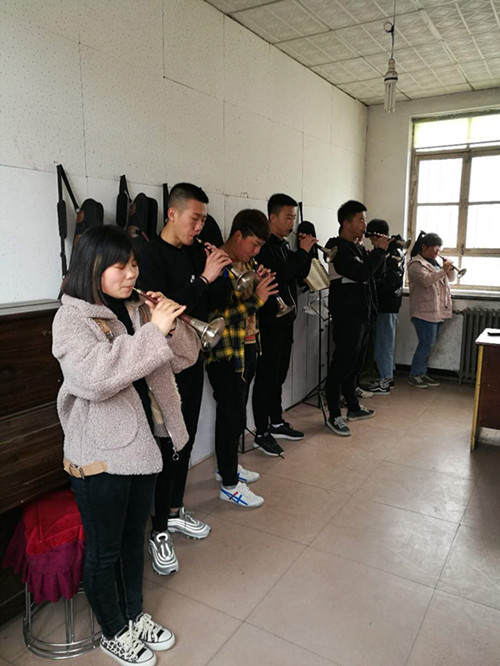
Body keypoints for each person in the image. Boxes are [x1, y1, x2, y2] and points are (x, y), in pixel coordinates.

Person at [52, 226, 200, 666]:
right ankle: (114, 631)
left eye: (133, 264)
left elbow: (186, 356)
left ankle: (134, 615)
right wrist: (153, 333)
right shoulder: (71, 319)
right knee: (105, 552)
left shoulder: (135, 308)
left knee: (134, 541)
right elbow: (95, 378)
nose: (131, 274)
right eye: (120, 266)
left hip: (143, 446)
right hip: (100, 454)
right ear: (93, 267)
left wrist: (168, 324)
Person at [137, 183, 231, 575]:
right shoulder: (148, 254)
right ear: (172, 214)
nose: (199, 227)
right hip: (162, 365)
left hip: (193, 356)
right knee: (166, 442)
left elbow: (216, 301)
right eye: (195, 218)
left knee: (186, 436)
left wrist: (217, 270)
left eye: (204, 220)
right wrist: (203, 280)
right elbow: (164, 304)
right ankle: (158, 527)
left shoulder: (196, 252)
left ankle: (174, 510)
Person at [206, 209, 278, 506]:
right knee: (229, 416)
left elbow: (249, 301)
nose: (257, 251)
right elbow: (217, 317)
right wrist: (257, 300)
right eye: (254, 244)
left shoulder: (247, 263)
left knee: (237, 414)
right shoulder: (216, 264)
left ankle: (229, 468)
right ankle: (229, 485)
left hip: (248, 346)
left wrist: (261, 284)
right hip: (226, 352)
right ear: (238, 235)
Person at [252, 193, 315, 456]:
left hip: (286, 319)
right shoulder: (264, 248)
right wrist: (301, 253)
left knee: (279, 374)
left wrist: (307, 254)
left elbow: (299, 276)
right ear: (272, 217)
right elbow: (282, 276)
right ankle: (261, 432)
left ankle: (276, 422)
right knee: (266, 376)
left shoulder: (283, 246)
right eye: (288, 217)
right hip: (269, 321)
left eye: (294, 217)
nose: (292, 223)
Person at [325, 200, 389, 437]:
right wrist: (379, 252)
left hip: (363, 314)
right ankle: (334, 414)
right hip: (347, 316)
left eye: (365, 220)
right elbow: (361, 273)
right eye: (361, 220)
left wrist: (380, 251)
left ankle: (352, 406)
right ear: (346, 223)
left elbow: (375, 275)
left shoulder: (358, 247)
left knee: (355, 365)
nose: (365, 225)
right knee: (341, 365)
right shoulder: (337, 248)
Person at [407, 232, 455, 388]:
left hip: (437, 310)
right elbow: (426, 281)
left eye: (439, 248)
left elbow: (451, 279)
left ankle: (422, 373)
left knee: (430, 345)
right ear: (424, 247)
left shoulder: (436, 263)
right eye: (434, 248)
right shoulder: (415, 264)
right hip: (423, 312)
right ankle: (414, 375)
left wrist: (449, 269)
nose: (437, 251)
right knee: (425, 344)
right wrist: (443, 270)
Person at [365, 218, 405, 394]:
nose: (372, 243)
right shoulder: (393, 250)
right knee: (384, 343)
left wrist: (371, 281)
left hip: (386, 304)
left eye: (372, 239)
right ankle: (386, 377)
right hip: (387, 304)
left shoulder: (392, 253)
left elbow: (389, 281)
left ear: (377, 236)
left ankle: (385, 381)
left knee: (384, 344)